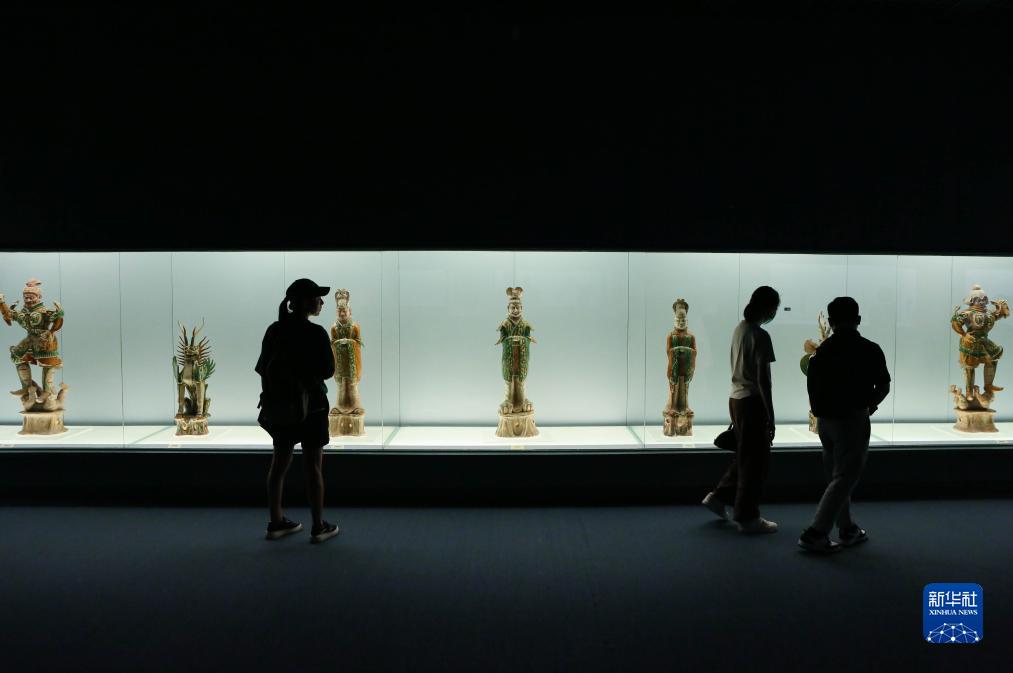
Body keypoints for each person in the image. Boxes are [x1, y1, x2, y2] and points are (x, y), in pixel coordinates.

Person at [798, 297, 890, 553]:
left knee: (835, 476)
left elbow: (812, 387)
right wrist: (869, 406)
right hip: (853, 418)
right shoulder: (870, 349)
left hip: (825, 421)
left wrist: (820, 413)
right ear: (858, 319)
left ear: (830, 321)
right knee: (845, 477)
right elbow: (883, 386)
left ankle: (847, 527)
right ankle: (816, 532)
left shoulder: (822, 352)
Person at [255, 278, 340, 544]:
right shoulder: (316, 333)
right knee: (313, 466)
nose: (321, 302)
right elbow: (328, 371)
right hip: (313, 406)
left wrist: (271, 398)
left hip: (281, 407)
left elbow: (263, 369)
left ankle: (276, 521)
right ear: (305, 302)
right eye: (317, 297)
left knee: (279, 464)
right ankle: (318, 526)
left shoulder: (274, 330)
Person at [702, 286, 780, 534]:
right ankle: (747, 517)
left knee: (746, 455)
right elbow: (764, 380)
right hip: (752, 402)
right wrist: (771, 415)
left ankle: (718, 497)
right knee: (755, 462)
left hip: (736, 399)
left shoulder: (740, 329)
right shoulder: (761, 335)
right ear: (769, 309)